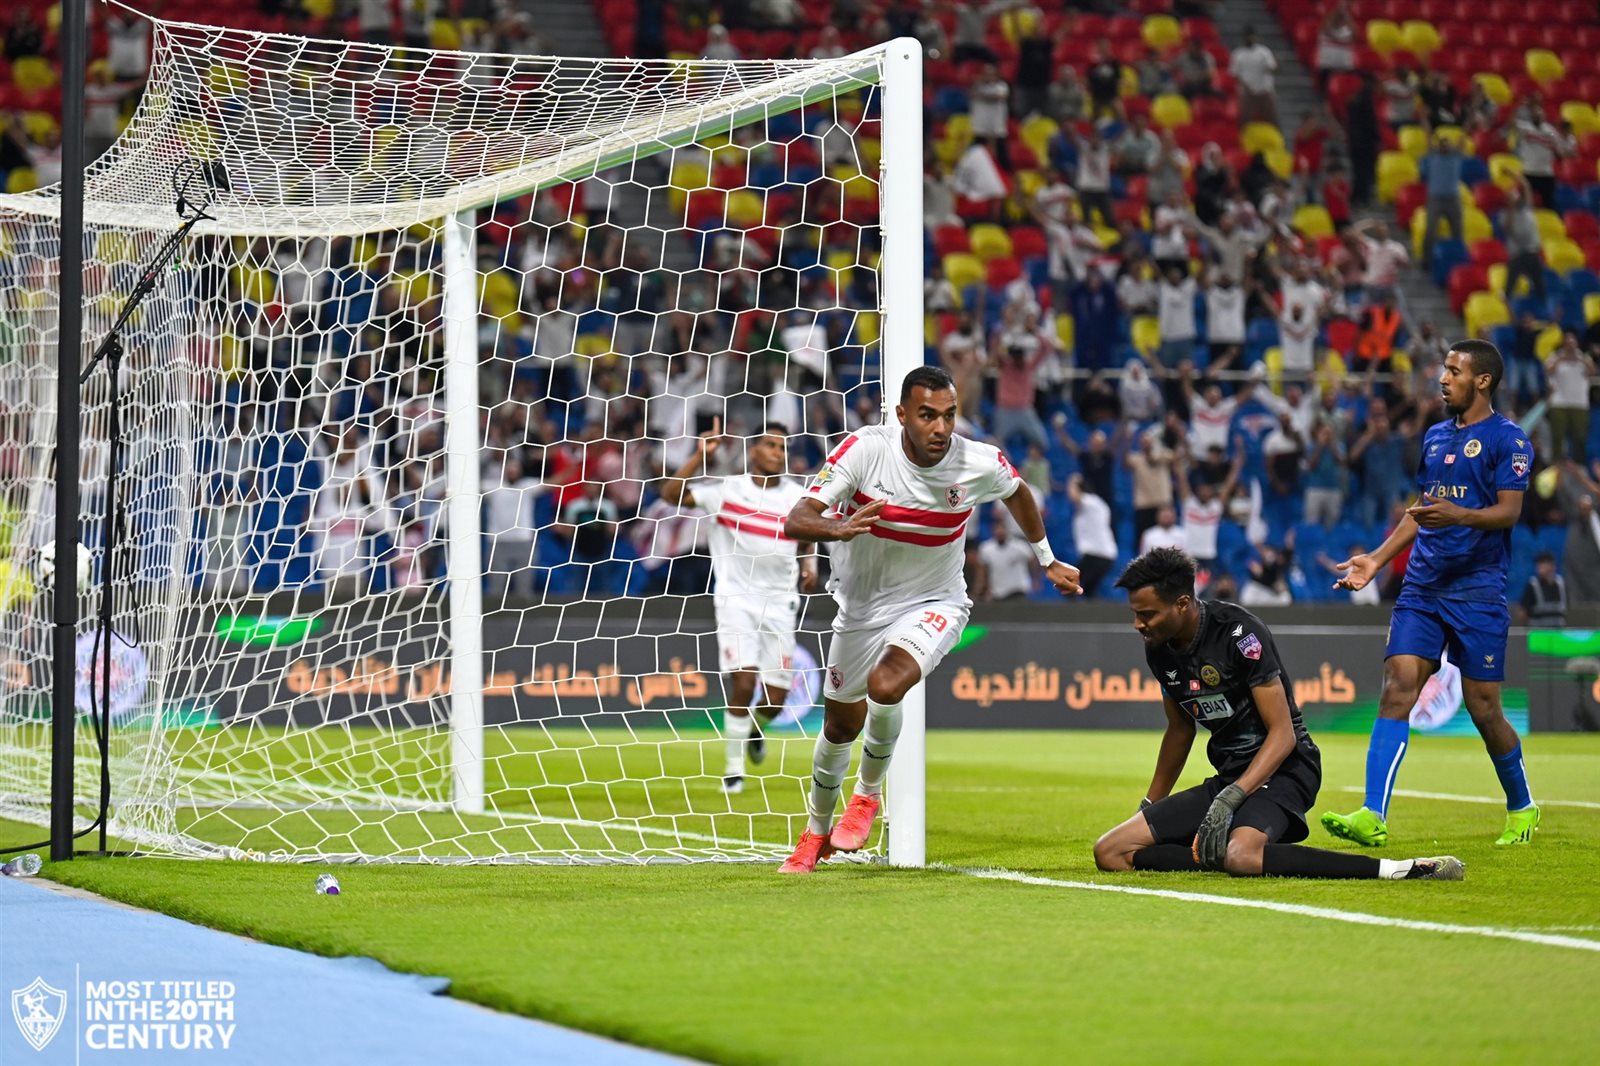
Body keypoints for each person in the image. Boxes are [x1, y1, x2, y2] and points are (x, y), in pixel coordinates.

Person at [776, 367, 1081, 872]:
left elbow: (1017, 491)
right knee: (839, 727)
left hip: (936, 601)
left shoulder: (977, 461)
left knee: (886, 684)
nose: (940, 428)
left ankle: (867, 795)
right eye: (926, 415)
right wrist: (837, 527)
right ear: (901, 415)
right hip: (861, 609)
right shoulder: (866, 450)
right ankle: (815, 833)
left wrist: (1046, 559)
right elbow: (796, 518)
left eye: (948, 415)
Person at [1093, 548, 1463, 881]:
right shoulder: (1158, 648)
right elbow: (1179, 730)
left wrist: (1231, 798)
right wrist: (1150, 806)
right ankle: (1225, 853)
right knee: (1110, 851)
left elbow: (1283, 734)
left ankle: (1397, 869)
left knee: (1242, 855)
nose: (1138, 624)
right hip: (1232, 777)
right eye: (1135, 614)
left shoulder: (1239, 634)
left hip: (1287, 769)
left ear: (1182, 603)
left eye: (1147, 614)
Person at [1323, 340, 1540, 847]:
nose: (1442, 378)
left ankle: (1522, 806)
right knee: (1398, 686)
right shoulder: (1436, 435)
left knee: (1484, 708)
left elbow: (1508, 512)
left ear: (1482, 380)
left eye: (1453, 371)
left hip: (1477, 590)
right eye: (1444, 369)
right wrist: (1377, 560)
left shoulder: (1510, 440)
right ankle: (1372, 815)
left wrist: (1458, 514)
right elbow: (1422, 509)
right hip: (1423, 586)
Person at [659, 419, 817, 794]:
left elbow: (807, 536)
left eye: (783, 447)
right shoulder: (728, 490)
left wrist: (809, 565)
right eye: (770, 445)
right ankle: (733, 772)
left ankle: (755, 730)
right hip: (736, 600)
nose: (778, 453)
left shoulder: (797, 496)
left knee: (776, 700)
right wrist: (699, 456)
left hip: (780, 602)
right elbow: (671, 494)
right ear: (753, 450)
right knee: (744, 683)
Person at [1518, 551, 1567, 627]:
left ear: (1552, 566)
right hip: (1538, 632)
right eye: (1539, 564)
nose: (1540, 567)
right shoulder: (1533, 585)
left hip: (1558, 632)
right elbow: (1523, 612)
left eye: (1544, 563)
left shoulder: (1561, 585)